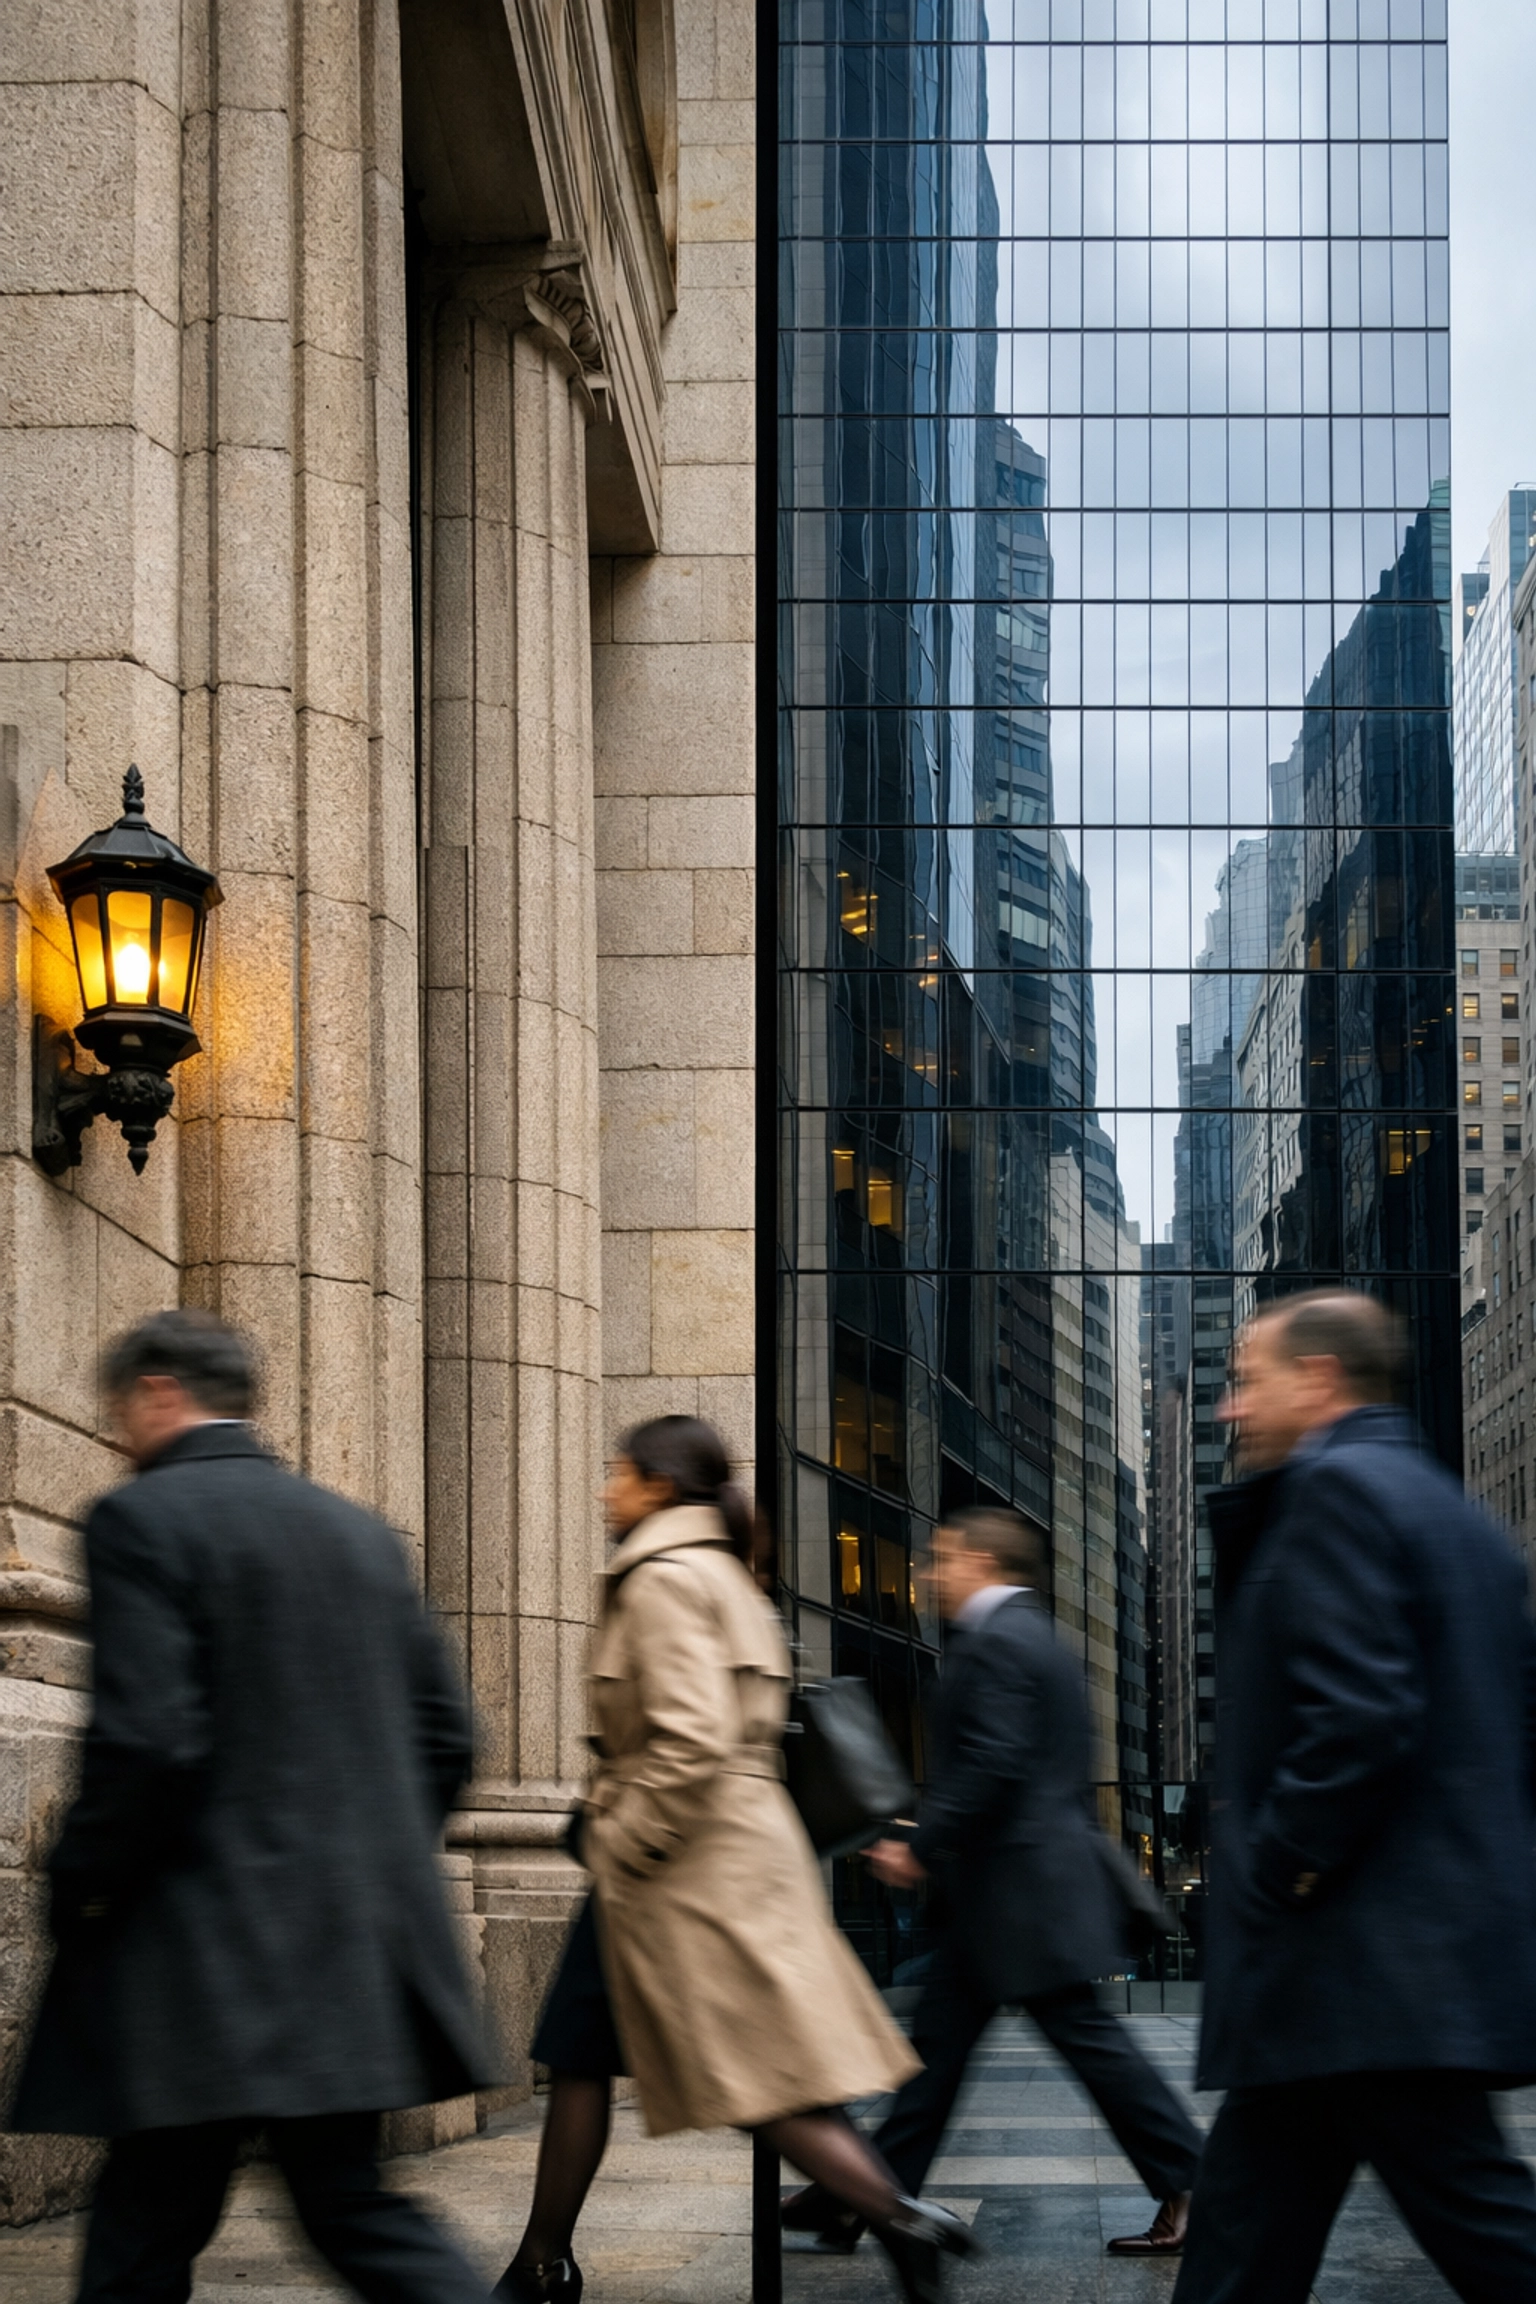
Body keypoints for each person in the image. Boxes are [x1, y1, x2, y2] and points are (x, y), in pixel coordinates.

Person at [9, 1309, 496, 2304]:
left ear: (156, 1394)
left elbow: (148, 1742)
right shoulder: (361, 1537)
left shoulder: (141, 1519)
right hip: (352, 1945)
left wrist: (82, 1883)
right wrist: (366, 1856)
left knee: (148, 2223)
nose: (116, 1437)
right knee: (342, 2205)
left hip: (206, 1954)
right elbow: (450, 1739)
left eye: (119, 1413)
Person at [495, 1414, 976, 2304]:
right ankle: (542, 2260)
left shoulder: (664, 1580)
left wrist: (615, 1840)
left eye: (618, 1473)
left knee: (759, 2079)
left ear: (660, 1485)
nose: (607, 1490)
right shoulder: (723, 1575)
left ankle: (902, 2218)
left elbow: (688, 1742)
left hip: (676, 1866)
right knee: (584, 2050)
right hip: (711, 1857)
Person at [1172, 1289, 1536, 2304]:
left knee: (1490, 2236)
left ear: (1319, 1378)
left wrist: (1278, 1867)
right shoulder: (1456, 1514)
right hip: (1388, 1968)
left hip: (1360, 1961)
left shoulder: (1336, 1495)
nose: (1228, 1410)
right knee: (1242, 2244)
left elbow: (1359, 1718)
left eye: (1246, 1382)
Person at [783, 1505, 1204, 2259]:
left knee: (1093, 2050)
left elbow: (993, 1761)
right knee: (936, 2058)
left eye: (941, 1560)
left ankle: (1188, 2187)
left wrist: (923, 1842)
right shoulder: (1030, 1638)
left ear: (983, 1563)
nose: (929, 1573)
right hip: (1005, 1899)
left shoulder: (998, 1643)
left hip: (1022, 1899)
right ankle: (865, 2199)